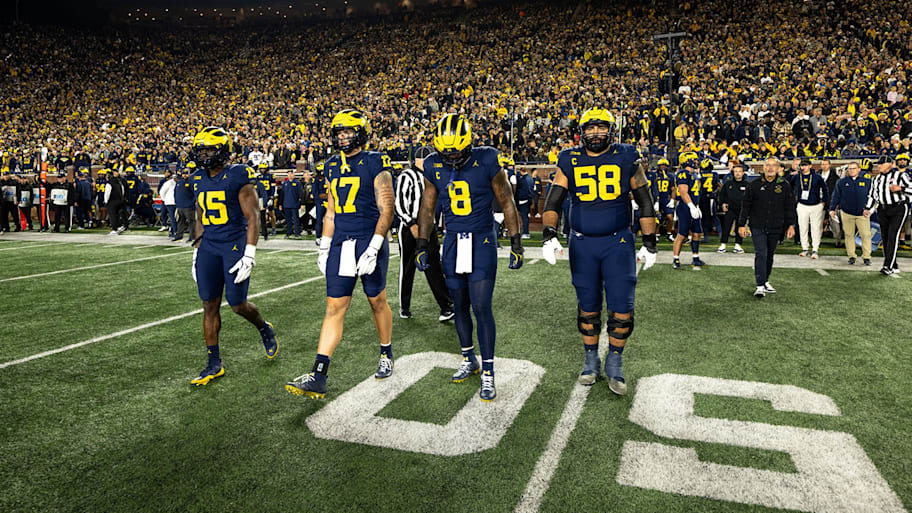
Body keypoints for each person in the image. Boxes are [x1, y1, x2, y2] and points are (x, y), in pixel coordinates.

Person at [540, 108, 657, 395]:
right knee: (588, 306)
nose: (595, 133)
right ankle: (591, 359)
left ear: (611, 130)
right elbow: (553, 201)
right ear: (581, 131)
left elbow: (644, 201)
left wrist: (650, 241)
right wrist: (548, 235)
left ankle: (615, 362)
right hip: (583, 244)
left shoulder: (627, 155)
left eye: (600, 127)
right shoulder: (569, 158)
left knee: (622, 308)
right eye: (590, 128)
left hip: (617, 242)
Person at [285, 109, 395, 399]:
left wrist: (374, 246)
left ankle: (386, 351)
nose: (343, 136)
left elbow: (387, 209)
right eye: (339, 132)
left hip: (367, 238)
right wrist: (324, 245)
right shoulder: (331, 164)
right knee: (334, 307)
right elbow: (331, 211)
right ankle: (319, 374)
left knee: (377, 301)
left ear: (360, 131)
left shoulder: (375, 161)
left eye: (348, 131)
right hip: (341, 242)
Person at [415, 113, 524, 402]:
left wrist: (516, 242)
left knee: (481, 306)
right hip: (452, 241)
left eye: (455, 151)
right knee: (459, 304)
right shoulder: (433, 165)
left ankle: (488, 371)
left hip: (481, 240)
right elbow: (428, 209)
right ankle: (469, 359)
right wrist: (421, 244)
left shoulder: (487, 159)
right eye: (445, 151)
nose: (450, 157)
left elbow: (506, 200)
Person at [188, 126, 278, 386]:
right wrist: (196, 251)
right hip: (209, 247)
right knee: (209, 305)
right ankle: (213, 363)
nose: (204, 154)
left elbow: (253, 217)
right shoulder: (196, 178)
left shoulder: (238, 175)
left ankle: (263, 327)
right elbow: (201, 216)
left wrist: (250, 253)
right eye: (201, 149)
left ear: (223, 151)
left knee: (237, 304)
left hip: (234, 245)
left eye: (210, 149)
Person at [394, 161, 454, 321]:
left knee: (434, 265)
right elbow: (399, 204)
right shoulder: (406, 176)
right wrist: (411, 224)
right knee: (407, 267)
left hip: (428, 227)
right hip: (410, 226)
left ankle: (446, 307)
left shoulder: (432, 176)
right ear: (420, 160)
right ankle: (404, 306)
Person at [738, 158, 797, 298]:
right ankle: (759, 285)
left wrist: (791, 225)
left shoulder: (785, 185)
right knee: (761, 253)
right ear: (763, 168)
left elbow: (789, 207)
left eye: (773, 166)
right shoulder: (753, 185)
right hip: (757, 225)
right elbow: (745, 206)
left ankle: (765, 280)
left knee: (769, 255)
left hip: (776, 226)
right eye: (767, 165)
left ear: (778, 168)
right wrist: (741, 224)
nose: (770, 168)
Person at [865, 154, 912, 275]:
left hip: (898, 207)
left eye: (882, 164)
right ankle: (893, 263)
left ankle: (888, 265)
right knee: (885, 237)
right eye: (878, 164)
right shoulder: (876, 179)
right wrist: (867, 208)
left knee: (893, 236)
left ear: (890, 165)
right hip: (882, 208)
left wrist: (900, 188)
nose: (879, 166)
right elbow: (872, 195)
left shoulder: (901, 176)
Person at [829, 161, 872, 265]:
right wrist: (832, 209)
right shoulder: (841, 182)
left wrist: (869, 208)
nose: (851, 170)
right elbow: (836, 196)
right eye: (850, 168)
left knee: (865, 235)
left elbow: (872, 196)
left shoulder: (867, 182)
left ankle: (866, 257)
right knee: (849, 235)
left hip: (862, 213)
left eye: (854, 168)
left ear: (859, 169)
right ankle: (851, 256)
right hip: (847, 212)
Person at [672, 151, 706, 269]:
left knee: (697, 233)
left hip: (693, 206)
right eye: (694, 159)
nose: (696, 162)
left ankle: (695, 257)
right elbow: (683, 191)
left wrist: (696, 206)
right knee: (682, 234)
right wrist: (691, 206)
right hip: (685, 207)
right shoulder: (683, 173)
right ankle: (676, 259)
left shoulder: (694, 174)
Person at [791, 158, 828, 259]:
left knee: (816, 228)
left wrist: (824, 202)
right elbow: (790, 187)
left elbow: (825, 189)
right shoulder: (797, 177)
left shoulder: (817, 177)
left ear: (810, 166)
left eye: (806, 165)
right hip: (802, 205)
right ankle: (805, 248)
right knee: (803, 227)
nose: (803, 167)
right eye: (802, 165)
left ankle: (815, 249)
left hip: (816, 206)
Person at [717, 164, 748, 253]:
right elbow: (722, 195)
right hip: (730, 209)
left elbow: (750, 198)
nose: (738, 173)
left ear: (743, 173)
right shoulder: (728, 183)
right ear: (733, 173)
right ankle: (723, 245)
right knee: (726, 226)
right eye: (736, 171)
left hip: (742, 210)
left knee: (740, 227)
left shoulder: (747, 185)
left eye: (739, 171)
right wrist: (722, 203)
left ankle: (738, 245)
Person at [174, 166, 196, 242]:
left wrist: (192, 203)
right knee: (180, 221)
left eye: (186, 174)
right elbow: (175, 193)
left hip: (188, 206)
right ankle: (179, 235)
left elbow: (195, 194)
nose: (185, 175)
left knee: (191, 221)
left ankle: (192, 236)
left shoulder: (191, 182)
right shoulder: (179, 182)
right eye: (183, 174)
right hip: (180, 205)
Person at [255, 162, 277, 241]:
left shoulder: (271, 176)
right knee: (262, 215)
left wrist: (271, 197)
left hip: (268, 196)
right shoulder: (258, 177)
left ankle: (274, 228)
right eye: (261, 168)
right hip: (261, 197)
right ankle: (263, 230)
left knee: (271, 213)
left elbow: (273, 187)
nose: (262, 170)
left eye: (264, 168)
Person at [280, 171, 303, 239]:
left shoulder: (297, 183)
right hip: (286, 204)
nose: (290, 175)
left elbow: (301, 194)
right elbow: (282, 194)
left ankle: (297, 233)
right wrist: (280, 204)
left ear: (294, 174)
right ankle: (289, 233)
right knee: (288, 220)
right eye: (288, 174)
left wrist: (302, 203)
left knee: (296, 219)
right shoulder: (285, 183)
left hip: (294, 204)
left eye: (291, 174)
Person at [105, 168, 128, 234]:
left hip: (112, 201)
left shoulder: (109, 183)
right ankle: (119, 226)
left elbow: (107, 193)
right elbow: (123, 190)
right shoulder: (119, 182)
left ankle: (115, 229)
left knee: (112, 215)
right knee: (117, 214)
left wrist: (106, 201)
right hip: (120, 200)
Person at [158, 170, 178, 238]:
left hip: (176, 202)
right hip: (170, 203)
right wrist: (165, 200)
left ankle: (173, 230)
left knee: (175, 218)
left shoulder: (177, 183)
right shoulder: (168, 183)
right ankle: (174, 231)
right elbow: (162, 192)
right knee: (173, 217)